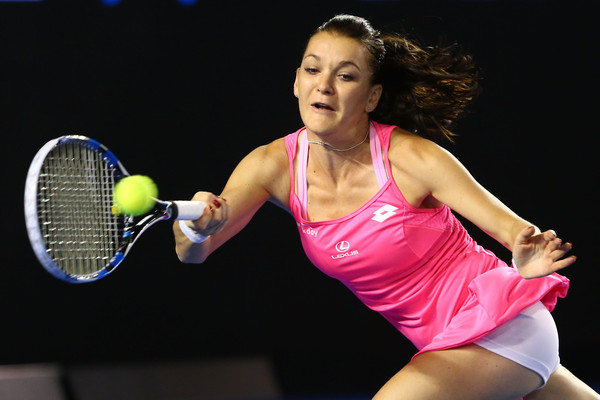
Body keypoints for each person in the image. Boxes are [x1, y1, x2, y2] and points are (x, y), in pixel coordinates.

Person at [173, 14, 599, 400]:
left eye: (346, 75)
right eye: (312, 69)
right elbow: (192, 254)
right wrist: (197, 228)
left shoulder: (411, 158)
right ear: (297, 82)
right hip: (452, 344)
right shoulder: (271, 166)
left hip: (501, 324)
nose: (324, 85)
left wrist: (524, 254)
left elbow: (516, 231)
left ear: (372, 96)